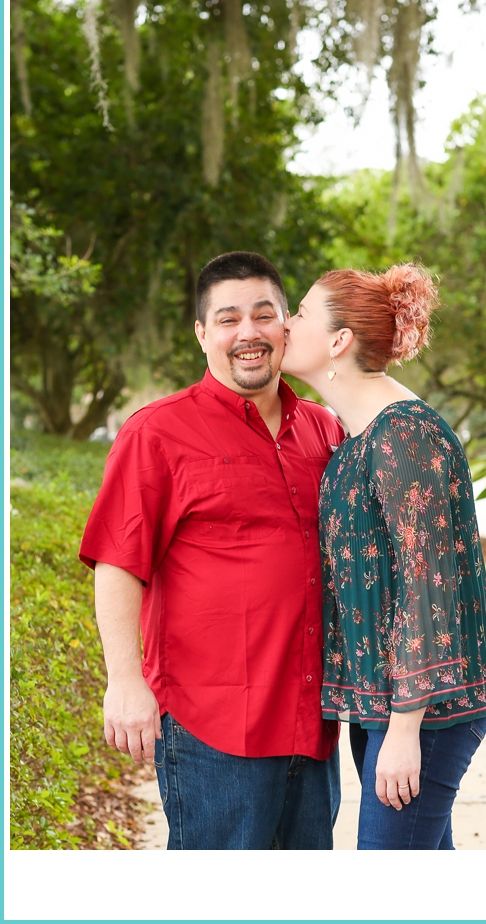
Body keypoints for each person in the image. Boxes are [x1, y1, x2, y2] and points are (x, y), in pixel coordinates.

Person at [80, 251, 343, 849]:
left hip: (312, 723)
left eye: (263, 314)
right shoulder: (157, 433)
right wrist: (124, 679)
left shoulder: (324, 431)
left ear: (286, 326)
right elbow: (118, 563)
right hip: (212, 729)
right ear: (202, 335)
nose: (247, 333)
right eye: (227, 319)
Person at [281, 264, 486, 849]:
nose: (286, 322)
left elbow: (427, 584)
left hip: (424, 710)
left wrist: (405, 729)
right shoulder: (360, 436)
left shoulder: (406, 434)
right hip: (385, 703)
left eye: (300, 313)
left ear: (338, 341)